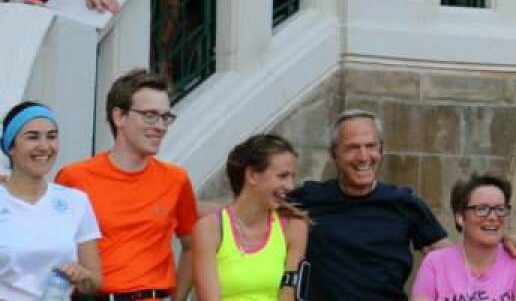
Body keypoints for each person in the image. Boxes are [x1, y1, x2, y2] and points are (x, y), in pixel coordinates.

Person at [56, 70, 200, 301]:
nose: (161, 126)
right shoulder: (75, 177)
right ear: (119, 117)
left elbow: (193, 246)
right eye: (150, 115)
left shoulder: (176, 179)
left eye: (166, 117)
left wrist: (178, 299)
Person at [290, 110, 449, 301]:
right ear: (333, 155)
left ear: (381, 150)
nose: (364, 156)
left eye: (371, 146)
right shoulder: (307, 198)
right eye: (352, 148)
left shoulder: (404, 202)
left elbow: (451, 264)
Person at [0, 101, 102, 298]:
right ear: (11, 146)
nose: (44, 146)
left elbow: (95, 282)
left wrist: (82, 276)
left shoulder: (76, 202)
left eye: (52, 136)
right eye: (32, 137)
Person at [193, 134, 309, 301]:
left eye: (292, 176)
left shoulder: (294, 227)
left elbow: (288, 296)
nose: (290, 186)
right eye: (282, 176)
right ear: (253, 175)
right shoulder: (209, 229)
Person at [411, 174, 516, 301]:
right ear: (460, 217)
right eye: (482, 209)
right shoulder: (435, 263)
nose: (493, 217)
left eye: (500, 209)